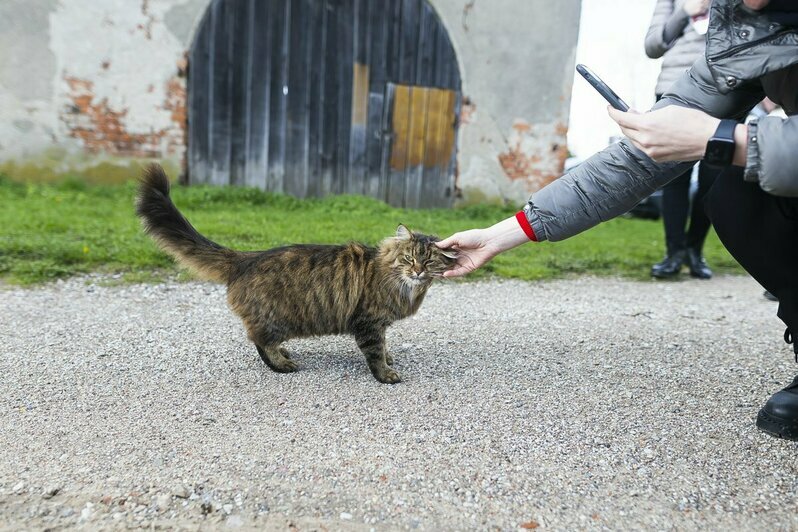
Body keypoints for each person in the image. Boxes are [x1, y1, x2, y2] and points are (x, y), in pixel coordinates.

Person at [437, 0, 798, 440]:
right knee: (737, 194)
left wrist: (721, 138)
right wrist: (500, 235)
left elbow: (720, 138)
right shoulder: (747, 30)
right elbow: (633, 163)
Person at [645, 0, 722, 279]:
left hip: (724, 91)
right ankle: (673, 253)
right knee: (673, 177)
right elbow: (652, 45)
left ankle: (695, 250)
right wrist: (684, 11)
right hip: (675, 90)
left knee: (712, 179)